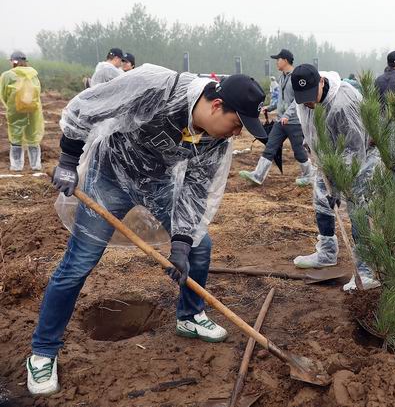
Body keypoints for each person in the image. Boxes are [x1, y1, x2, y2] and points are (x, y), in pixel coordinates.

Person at [26, 64, 267, 396]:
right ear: (216, 105)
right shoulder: (156, 88)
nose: (237, 133)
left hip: (158, 183)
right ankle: (43, 352)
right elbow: (85, 107)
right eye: (237, 124)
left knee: (199, 246)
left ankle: (189, 316)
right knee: (79, 263)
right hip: (109, 178)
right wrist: (68, 161)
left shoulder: (215, 140)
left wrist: (181, 244)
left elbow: (196, 189)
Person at [290, 63, 381, 291]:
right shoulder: (304, 100)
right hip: (327, 156)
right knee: (322, 200)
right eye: (303, 99)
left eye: (311, 96)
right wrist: (309, 144)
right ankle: (327, 253)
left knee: (357, 207)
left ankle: (366, 270)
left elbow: (355, 149)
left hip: (361, 157)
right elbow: (309, 126)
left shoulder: (343, 103)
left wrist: (339, 181)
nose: (308, 103)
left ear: (321, 82)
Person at [239, 49, 313, 186]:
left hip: (294, 122)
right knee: (270, 147)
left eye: (278, 60)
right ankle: (258, 175)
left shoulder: (296, 77)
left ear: (285, 60)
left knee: (298, 151)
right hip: (280, 121)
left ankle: (309, 175)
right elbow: (281, 99)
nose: (276, 63)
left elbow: (297, 100)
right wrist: (270, 107)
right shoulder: (282, 77)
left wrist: (287, 115)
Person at [0, 51, 44, 171]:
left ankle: (16, 166)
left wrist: (11, 105)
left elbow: (3, 94)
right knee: (33, 137)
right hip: (33, 110)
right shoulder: (33, 73)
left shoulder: (7, 75)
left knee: (15, 137)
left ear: (13, 61)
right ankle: (35, 165)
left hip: (15, 110)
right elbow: (38, 91)